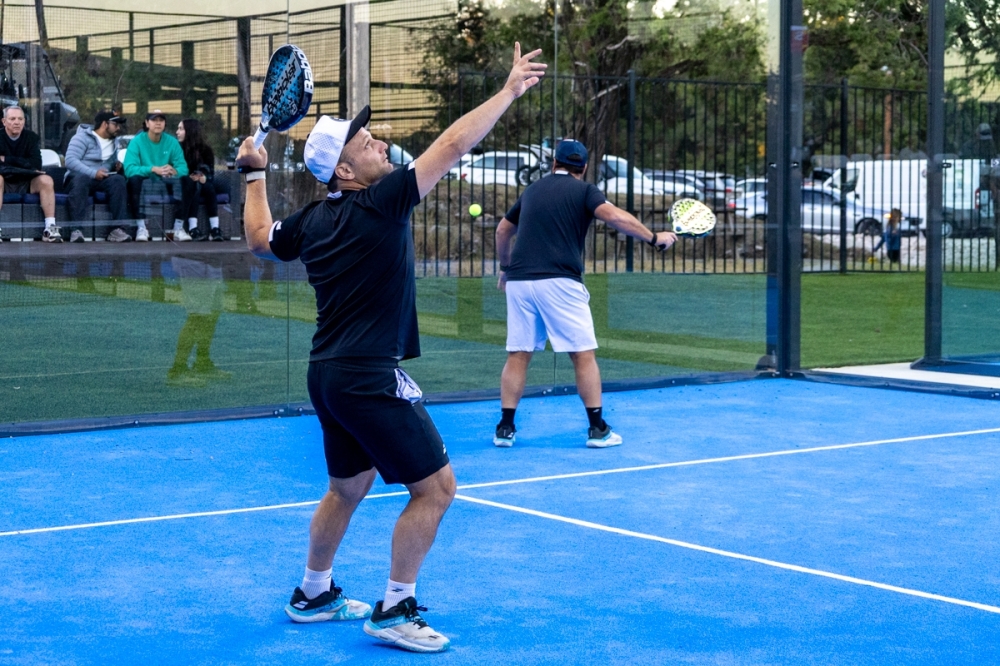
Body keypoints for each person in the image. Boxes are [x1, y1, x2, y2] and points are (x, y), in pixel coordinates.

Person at [237, 43, 546, 653]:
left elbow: (257, 239)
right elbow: (452, 146)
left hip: (327, 375)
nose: (378, 143)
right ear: (345, 173)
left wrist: (253, 174)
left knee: (347, 488)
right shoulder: (381, 203)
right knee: (436, 490)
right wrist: (508, 91)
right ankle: (395, 607)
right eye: (365, 143)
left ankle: (314, 593)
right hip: (367, 376)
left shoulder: (312, 221)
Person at [493, 139, 676, 448]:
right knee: (582, 355)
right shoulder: (586, 191)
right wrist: (654, 237)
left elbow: (502, 230)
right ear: (585, 167)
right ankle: (598, 429)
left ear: (554, 163)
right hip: (560, 282)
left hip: (520, 283)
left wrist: (505, 267)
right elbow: (615, 217)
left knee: (519, 354)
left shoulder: (532, 190)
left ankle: (505, 429)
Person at [64, 110, 129, 243]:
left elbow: (108, 164)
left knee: (118, 180)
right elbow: (70, 161)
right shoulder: (81, 138)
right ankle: (76, 230)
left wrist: (116, 166)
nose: (118, 128)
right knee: (82, 179)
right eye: (115, 124)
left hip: (101, 178)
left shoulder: (114, 142)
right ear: (105, 124)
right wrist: (93, 173)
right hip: (78, 178)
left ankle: (116, 229)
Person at [123, 109, 188, 242]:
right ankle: (141, 228)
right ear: (147, 123)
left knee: (187, 181)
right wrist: (152, 169)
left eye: (161, 120)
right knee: (134, 180)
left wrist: (174, 171)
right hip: (146, 183)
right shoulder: (136, 142)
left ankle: (178, 228)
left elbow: (183, 168)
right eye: (154, 120)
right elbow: (129, 169)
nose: (158, 123)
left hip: (166, 182)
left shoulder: (172, 142)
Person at [0, 106, 57, 242]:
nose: (17, 122)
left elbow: (36, 164)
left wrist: (7, 160)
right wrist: (24, 166)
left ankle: (50, 228)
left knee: (46, 180)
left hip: (26, 182)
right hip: (4, 182)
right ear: (4, 121)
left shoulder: (31, 138)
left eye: (20, 119)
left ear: (24, 121)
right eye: (12, 119)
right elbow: (29, 165)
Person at [175, 118, 223, 241]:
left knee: (208, 187)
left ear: (190, 131)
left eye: (181, 129)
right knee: (194, 187)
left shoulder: (205, 150)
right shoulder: (177, 149)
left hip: (203, 181)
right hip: (185, 183)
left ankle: (215, 228)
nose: (177, 132)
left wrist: (203, 176)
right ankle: (193, 228)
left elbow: (210, 170)